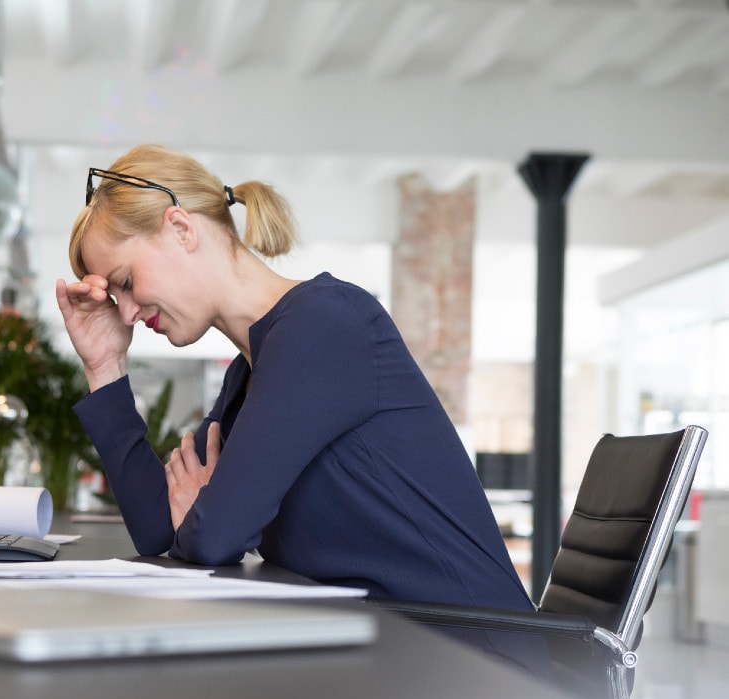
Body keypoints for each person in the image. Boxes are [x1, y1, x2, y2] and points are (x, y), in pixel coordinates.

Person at [55, 144, 532, 611]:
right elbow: (160, 528)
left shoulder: (324, 325)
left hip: (469, 656)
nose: (130, 313)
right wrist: (105, 366)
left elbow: (212, 535)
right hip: (386, 644)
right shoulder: (253, 368)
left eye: (125, 283)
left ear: (180, 229)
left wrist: (206, 516)